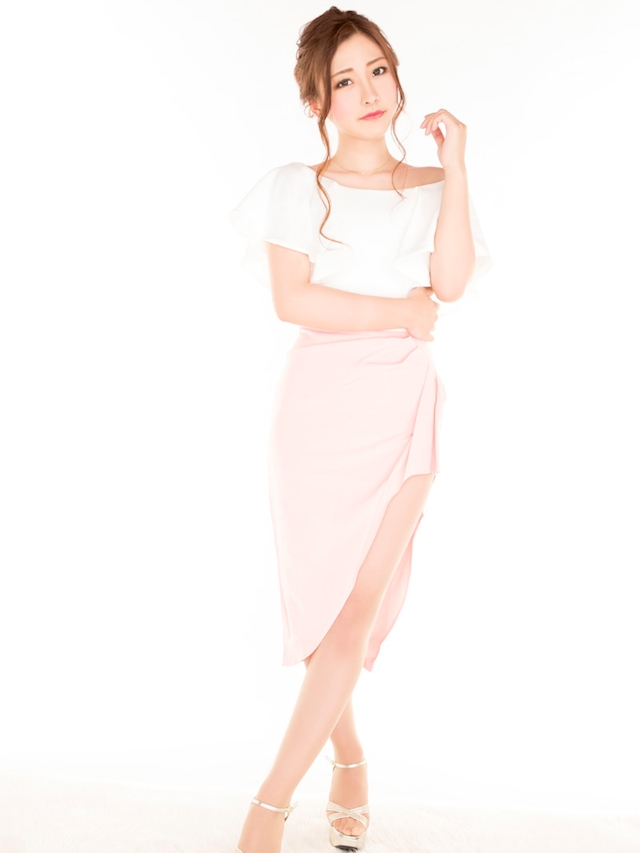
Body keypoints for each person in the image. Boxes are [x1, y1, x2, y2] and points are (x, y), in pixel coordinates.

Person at [228, 7, 493, 852]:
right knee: (320, 611)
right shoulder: (294, 187)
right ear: (318, 102)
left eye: (377, 69)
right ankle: (348, 756)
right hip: (315, 411)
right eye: (345, 80)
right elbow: (293, 299)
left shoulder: (434, 185)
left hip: (404, 409)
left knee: (355, 612)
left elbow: (451, 282)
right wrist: (400, 312)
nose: (369, 90)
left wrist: (458, 168)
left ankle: (266, 812)